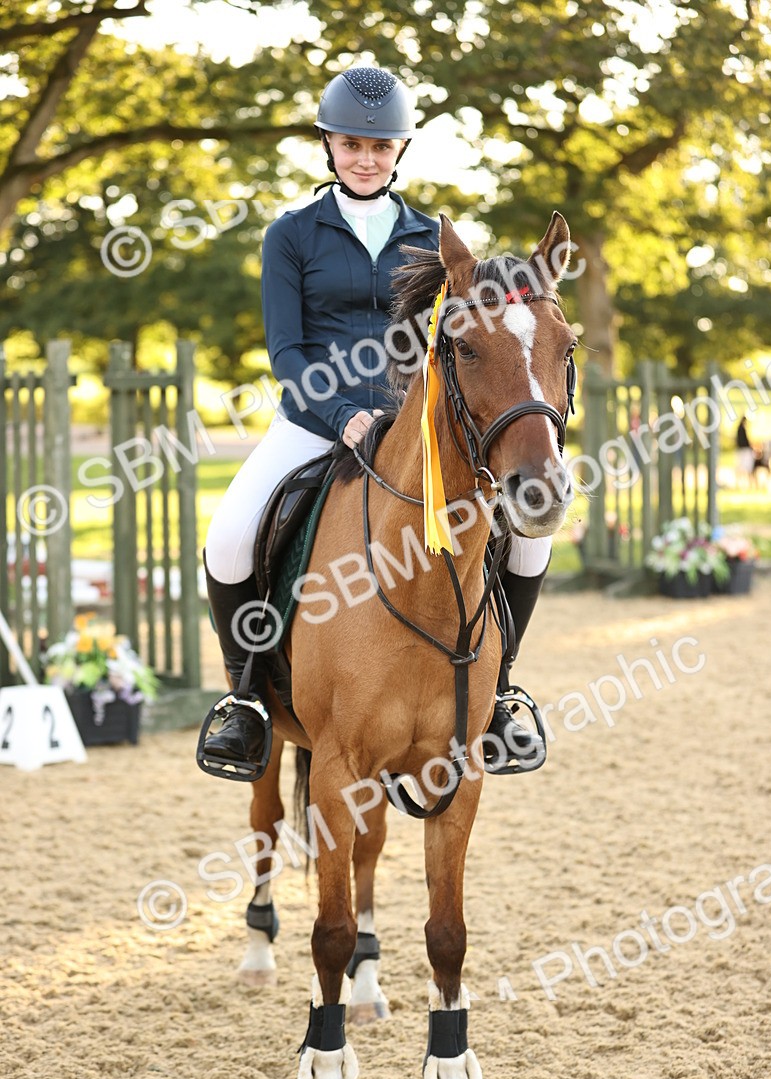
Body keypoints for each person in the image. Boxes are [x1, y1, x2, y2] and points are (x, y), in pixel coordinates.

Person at [199, 66, 552, 778]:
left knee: (528, 542)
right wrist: (339, 413)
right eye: (353, 144)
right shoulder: (292, 235)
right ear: (328, 144)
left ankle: (501, 690)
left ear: (400, 152)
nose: (366, 158)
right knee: (230, 537)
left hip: (418, 431)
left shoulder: (437, 237)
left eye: (381, 146)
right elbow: (286, 350)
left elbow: (475, 341)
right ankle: (248, 702)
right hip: (312, 422)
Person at [736, 415, 754, 488]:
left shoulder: (739, 428)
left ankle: (740, 483)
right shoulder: (742, 429)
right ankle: (748, 483)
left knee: (741, 467)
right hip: (745, 450)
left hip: (740, 450)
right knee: (747, 467)